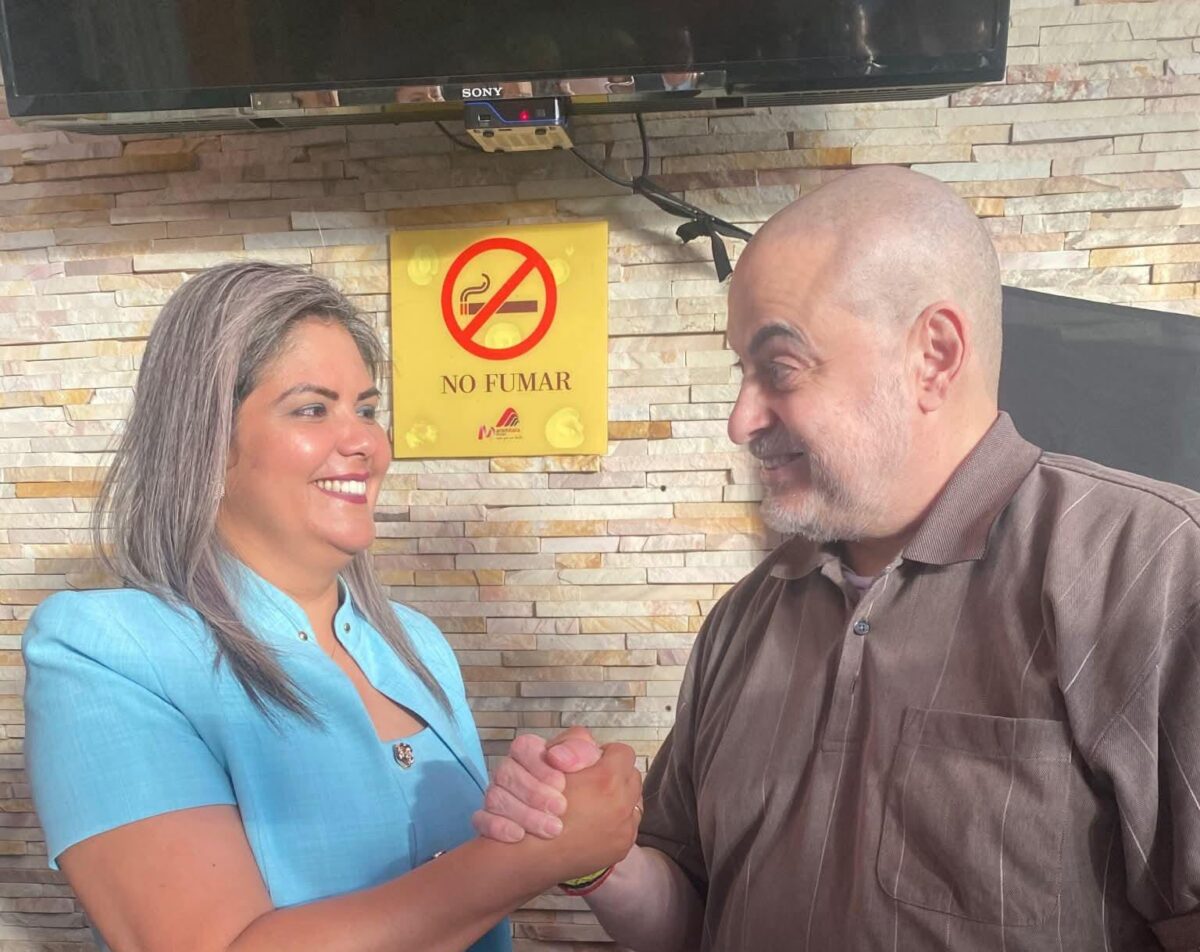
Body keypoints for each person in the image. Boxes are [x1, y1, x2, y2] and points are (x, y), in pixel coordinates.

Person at [473, 166, 1200, 951]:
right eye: (742, 373)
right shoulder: (743, 620)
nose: (740, 419)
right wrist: (600, 860)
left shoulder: (1150, 572)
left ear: (934, 356)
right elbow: (696, 920)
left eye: (780, 368)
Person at [22, 262, 642, 952]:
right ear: (206, 441)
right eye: (313, 409)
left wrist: (549, 808)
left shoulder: (415, 644)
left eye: (367, 410)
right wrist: (534, 857)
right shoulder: (107, 652)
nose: (367, 444)